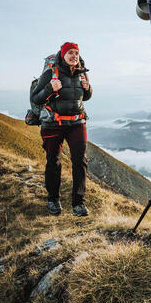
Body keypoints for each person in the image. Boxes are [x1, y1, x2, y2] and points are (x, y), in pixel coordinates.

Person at [30, 42, 92, 217]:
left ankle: (78, 204)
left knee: (80, 162)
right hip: (53, 124)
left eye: (76, 53)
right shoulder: (51, 73)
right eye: (70, 53)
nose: (74, 56)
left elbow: (84, 97)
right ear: (63, 55)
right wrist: (50, 88)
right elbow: (36, 98)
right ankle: (53, 200)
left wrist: (88, 90)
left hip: (77, 123)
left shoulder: (82, 72)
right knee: (54, 162)